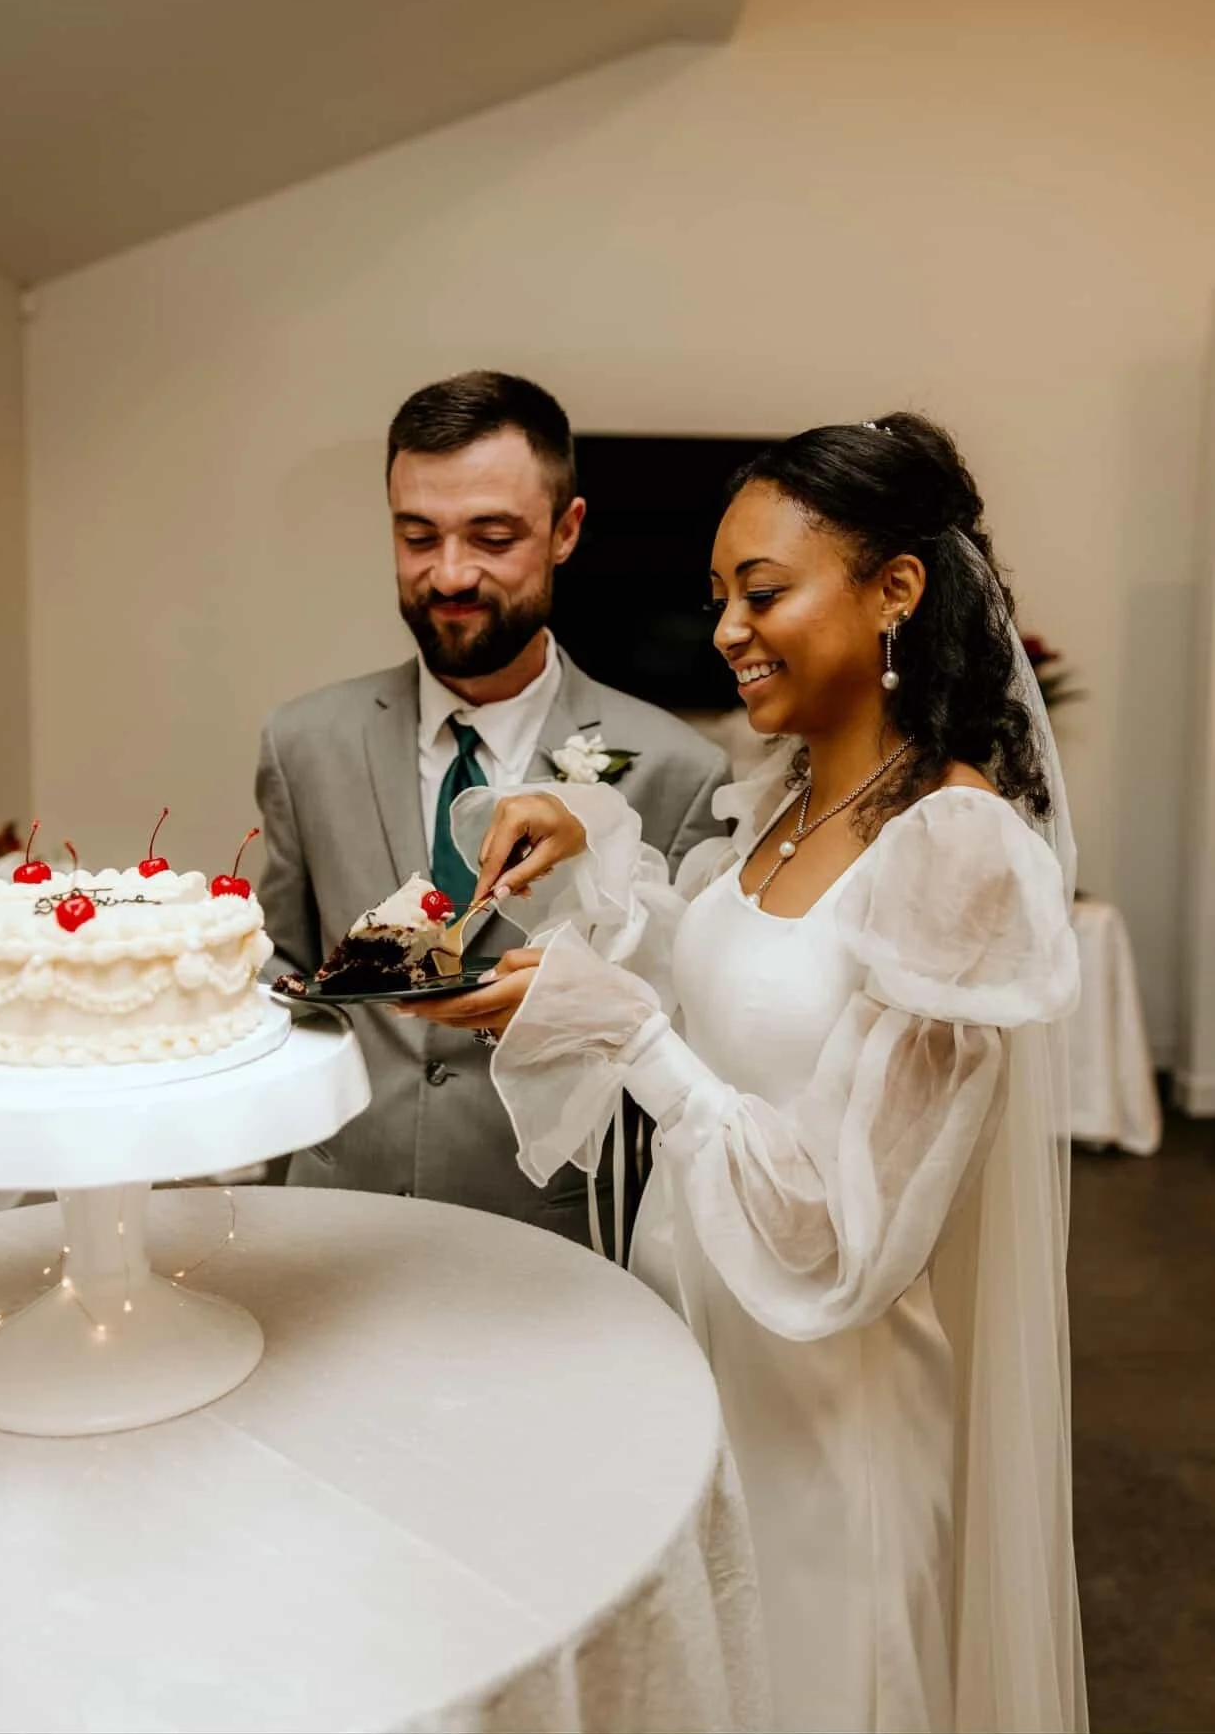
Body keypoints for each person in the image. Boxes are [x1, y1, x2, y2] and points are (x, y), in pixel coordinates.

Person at [410, 414, 1087, 1734]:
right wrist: (590, 857)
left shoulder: (956, 846)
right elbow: (722, 991)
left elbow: (846, 1239)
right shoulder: (785, 796)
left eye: (764, 591)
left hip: (832, 1431)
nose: (728, 627)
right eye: (719, 595)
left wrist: (628, 1035)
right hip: (700, 1371)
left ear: (895, 587)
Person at [255, 370, 728, 1247]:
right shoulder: (301, 741)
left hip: (550, 1242)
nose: (451, 573)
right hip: (330, 1217)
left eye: (493, 536)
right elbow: (281, 973)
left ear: (565, 531)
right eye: (417, 535)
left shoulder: (678, 770)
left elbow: (691, 1027)